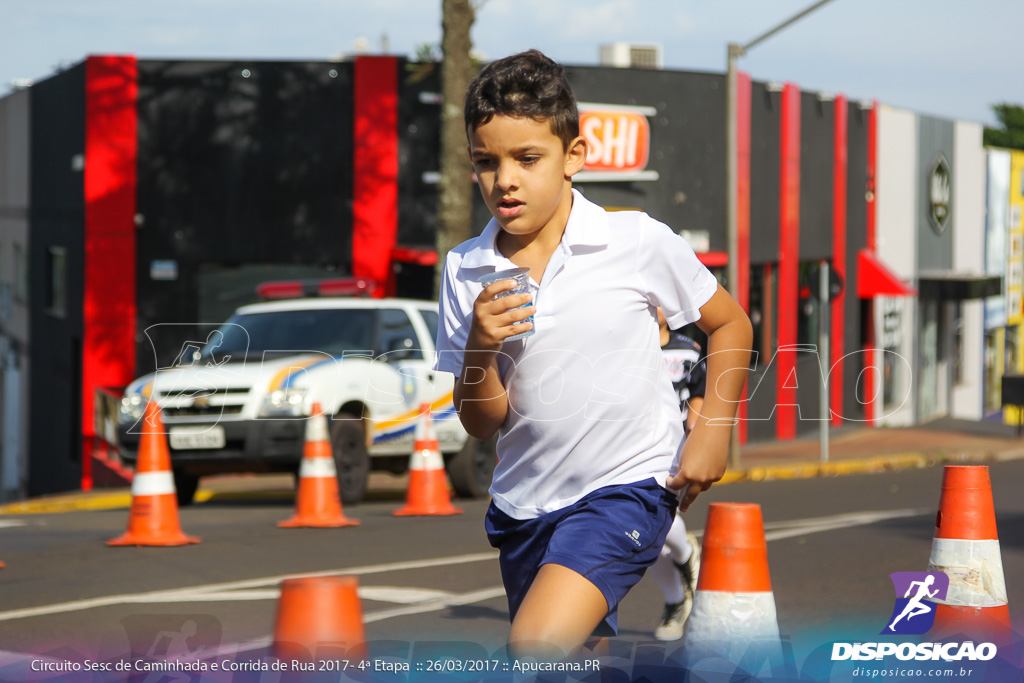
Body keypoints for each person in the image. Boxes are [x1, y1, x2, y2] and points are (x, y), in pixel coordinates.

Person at [433, 49, 752, 661]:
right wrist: (480, 346)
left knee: (534, 648)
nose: (506, 179)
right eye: (486, 162)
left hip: (627, 487)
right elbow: (481, 421)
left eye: (528, 158)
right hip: (526, 506)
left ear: (574, 156)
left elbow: (731, 324)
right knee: (577, 663)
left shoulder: (633, 240)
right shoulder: (465, 269)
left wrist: (713, 429)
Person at [650, 310, 706, 641]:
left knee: (655, 519)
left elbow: (698, 390)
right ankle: (676, 597)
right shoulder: (628, 344)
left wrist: (696, 431)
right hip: (631, 447)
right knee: (648, 540)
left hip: (672, 447)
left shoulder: (689, 348)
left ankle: (685, 556)